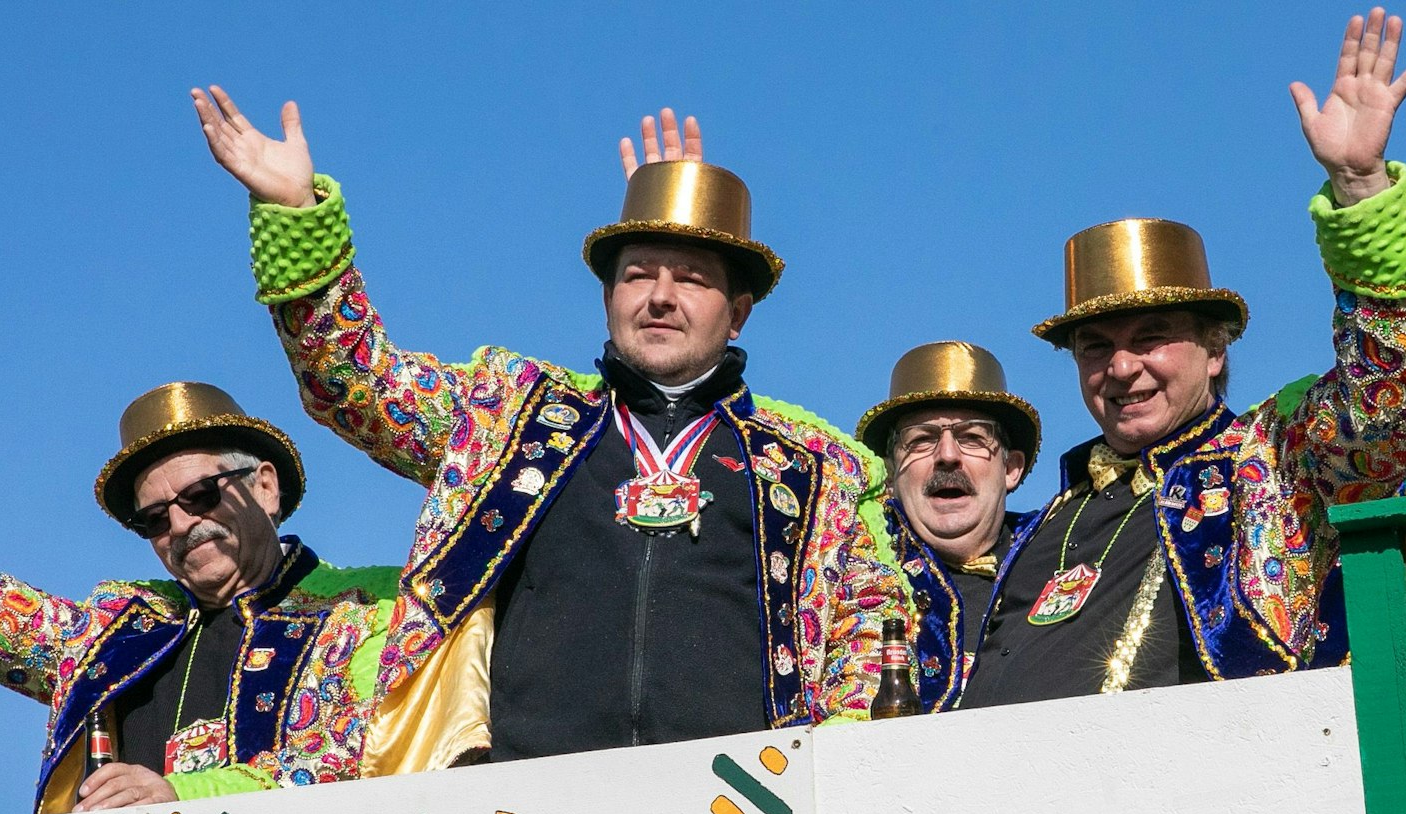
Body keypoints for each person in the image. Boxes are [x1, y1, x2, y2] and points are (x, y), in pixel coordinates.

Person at [192, 96, 903, 771]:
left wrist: (813, 781)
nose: (659, 295)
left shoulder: (811, 469)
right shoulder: (512, 417)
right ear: (607, 297)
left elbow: (872, 630)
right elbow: (356, 383)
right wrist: (295, 213)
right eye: (637, 274)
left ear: (738, 312)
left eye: (689, 277)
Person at [964, 8, 1406, 705]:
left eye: (1150, 338)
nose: (1122, 368)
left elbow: (1394, 396)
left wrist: (1360, 186)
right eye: (1096, 347)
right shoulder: (1046, 519)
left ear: (1216, 348)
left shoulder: (1274, 461)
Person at [0, 285, 397, 813]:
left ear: (264, 486)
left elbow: (367, 757)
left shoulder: (371, 606)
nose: (180, 524)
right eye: (153, 518)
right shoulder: (116, 631)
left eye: (201, 495)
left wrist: (181, 797)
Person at [856, 342, 1040, 710]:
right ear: (889, 474)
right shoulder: (849, 571)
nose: (947, 456)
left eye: (972, 437)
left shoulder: (1059, 554)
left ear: (1011, 468)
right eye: (921, 440)